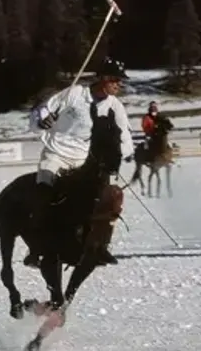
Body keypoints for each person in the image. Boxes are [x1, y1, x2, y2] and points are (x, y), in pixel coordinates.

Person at [28, 57, 135, 264]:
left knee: (109, 199)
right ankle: (37, 246)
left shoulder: (115, 107)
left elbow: (126, 141)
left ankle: (100, 246)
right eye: (114, 79)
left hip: (87, 159)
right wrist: (41, 120)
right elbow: (39, 114)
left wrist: (111, 151)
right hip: (57, 153)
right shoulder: (75, 94)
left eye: (120, 81)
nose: (118, 84)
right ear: (102, 78)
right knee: (44, 189)